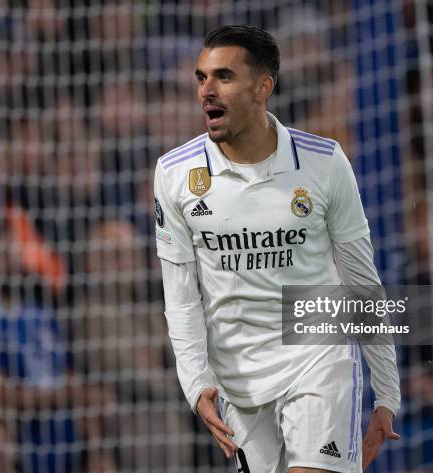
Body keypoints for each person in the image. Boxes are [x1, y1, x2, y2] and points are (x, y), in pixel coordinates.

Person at [153, 25, 400, 473]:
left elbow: (362, 281)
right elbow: (181, 295)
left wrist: (387, 391)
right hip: (238, 374)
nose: (206, 90)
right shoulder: (174, 174)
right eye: (200, 77)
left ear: (263, 87)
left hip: (317, 350)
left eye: (223, 77)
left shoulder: (324, 162)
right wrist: (196, 383)